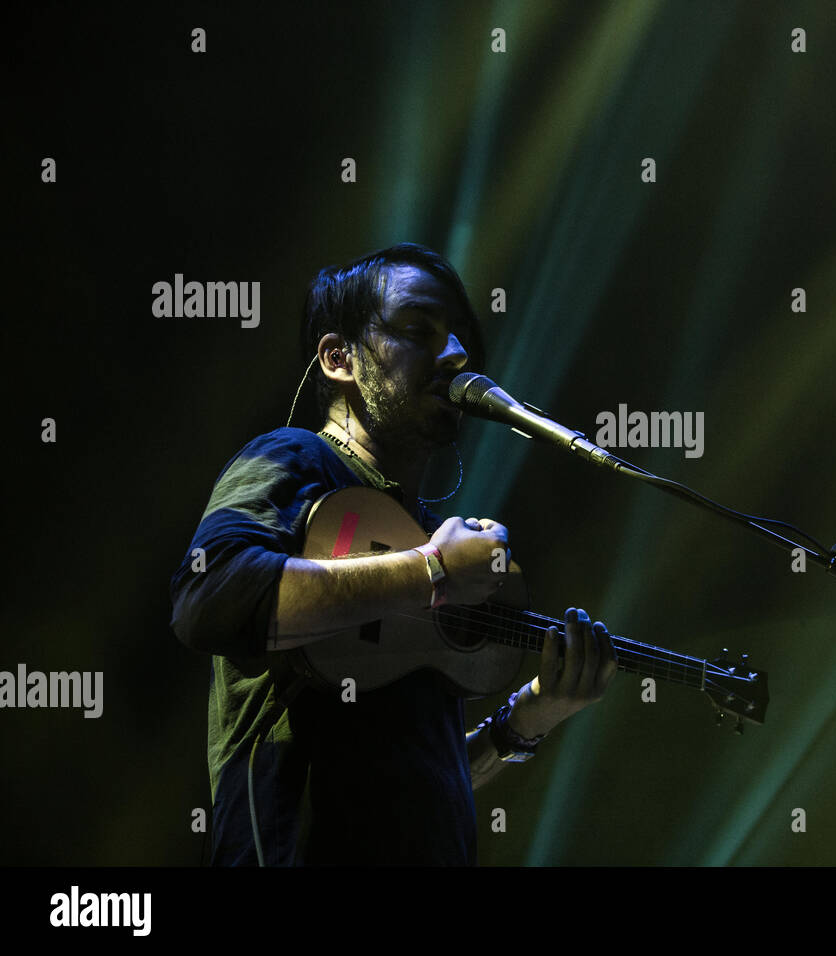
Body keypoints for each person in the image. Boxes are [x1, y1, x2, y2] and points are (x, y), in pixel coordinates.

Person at [169, 243, 617, 865]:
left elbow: (418, 777)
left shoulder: (423, 531)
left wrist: (528, 721)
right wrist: (430, 571)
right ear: (338, 357)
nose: (456, 353)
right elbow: (207, 596)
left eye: (458, 336)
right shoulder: (293, 459)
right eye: (417, 329)